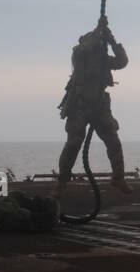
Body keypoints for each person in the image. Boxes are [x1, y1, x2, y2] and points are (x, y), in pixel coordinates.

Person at [53, 18, 132, 198]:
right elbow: (86, 46)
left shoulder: (103, 59)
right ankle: (62, 181)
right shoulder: (80, 54)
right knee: (74, 143)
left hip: (100, 105)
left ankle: (118, 177)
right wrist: (99, 30)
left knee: (113, 140)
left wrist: (111, 40)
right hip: (79, 104)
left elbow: (122, 61)